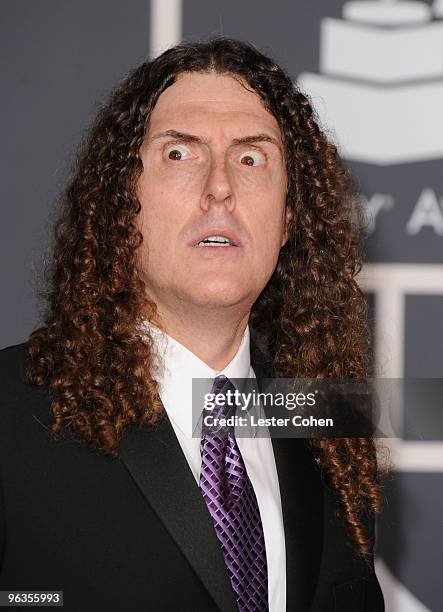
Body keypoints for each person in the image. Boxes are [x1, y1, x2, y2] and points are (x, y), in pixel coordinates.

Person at [0, 37, 384, 611]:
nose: (221, 187)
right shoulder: (11, 409)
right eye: (181, 154)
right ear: (120, 201)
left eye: (252, 157)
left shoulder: (330, 427)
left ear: (287, 220)